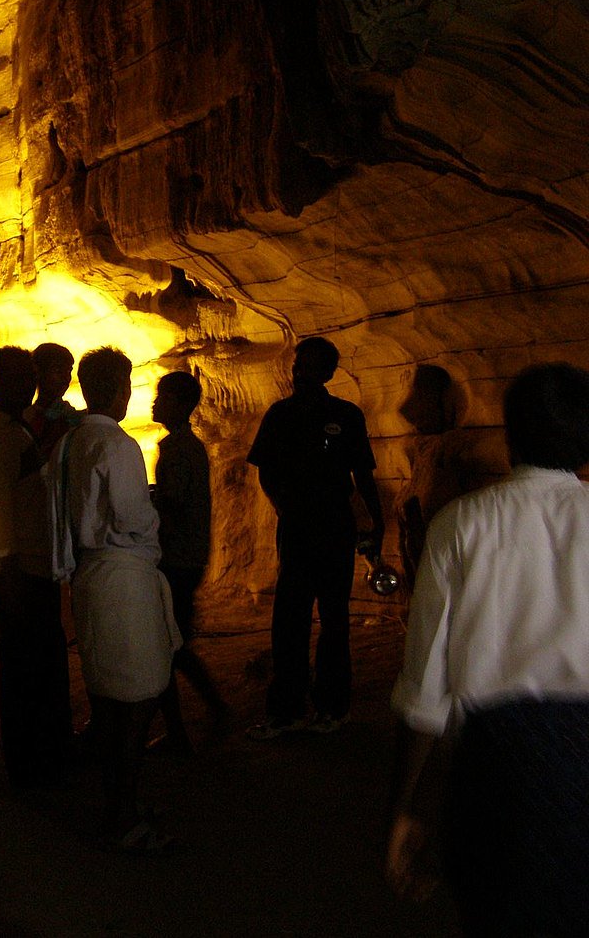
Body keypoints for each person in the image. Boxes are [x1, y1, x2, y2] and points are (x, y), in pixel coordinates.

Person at [386, 363, 589, 937]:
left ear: (509, 437)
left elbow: (424, 691)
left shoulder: (460, 525)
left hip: (495, 767)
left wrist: (404, 809)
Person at [49, 346, 180, 852]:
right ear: (121, 389)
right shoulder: (117, 445)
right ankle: (123, 819)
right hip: (123, 580)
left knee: (108, 701)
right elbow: (130, 516)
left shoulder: (70, 443)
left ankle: (118, 806)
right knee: (138, 700)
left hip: (89, 576)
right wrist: (154, 516)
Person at [246, 335, 384, 736]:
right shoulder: (280, 414)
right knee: (290, 617)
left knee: (334, 618)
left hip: (335, 526)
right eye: (297, 364)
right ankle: (286, 710)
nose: (298, 372)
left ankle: (332, 706)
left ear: (327, 372)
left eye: (307, 365)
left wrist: (375, 523)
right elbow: (266, 470)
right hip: (298, 527)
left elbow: (363, 474)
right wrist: (283, 504)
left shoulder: (346, 415)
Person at [0, 346, 72, 791]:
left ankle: (47, 754)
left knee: (40, 663)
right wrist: (7, 564)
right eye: (20, 377)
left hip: (32, 564)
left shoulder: (15, 430)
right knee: (25, 669)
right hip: (20, 569)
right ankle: (31, 765)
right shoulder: (1, 435)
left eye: (31, 376)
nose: (30, 385)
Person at [151, 370, 229, 753]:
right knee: (172, 644)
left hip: (177, 557)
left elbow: (175, 503)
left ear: (181, 404)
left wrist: (146, 498)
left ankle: (182, 730)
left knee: (169, 646)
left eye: (162, 396)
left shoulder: (180, 449)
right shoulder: (184, 446)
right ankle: (199, 718)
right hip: (186, 556)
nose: (155, 403)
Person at [25, 342, 81, 461]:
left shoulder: (73, 418)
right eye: (58, 370)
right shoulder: (26, 418)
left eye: (68, 371)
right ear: (39, 372)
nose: (66, 378)